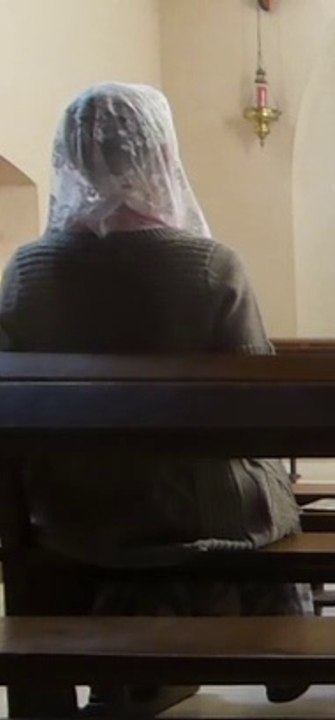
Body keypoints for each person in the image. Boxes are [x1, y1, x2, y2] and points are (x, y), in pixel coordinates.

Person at [0, 83, 308, 707]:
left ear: (70, 161)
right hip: (196, 519)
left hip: (71, 516)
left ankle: (136, 672)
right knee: (268, 492)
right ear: (162, 158)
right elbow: (260, 416)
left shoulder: (26, 272)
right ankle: (282, 637)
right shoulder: (209, 266)